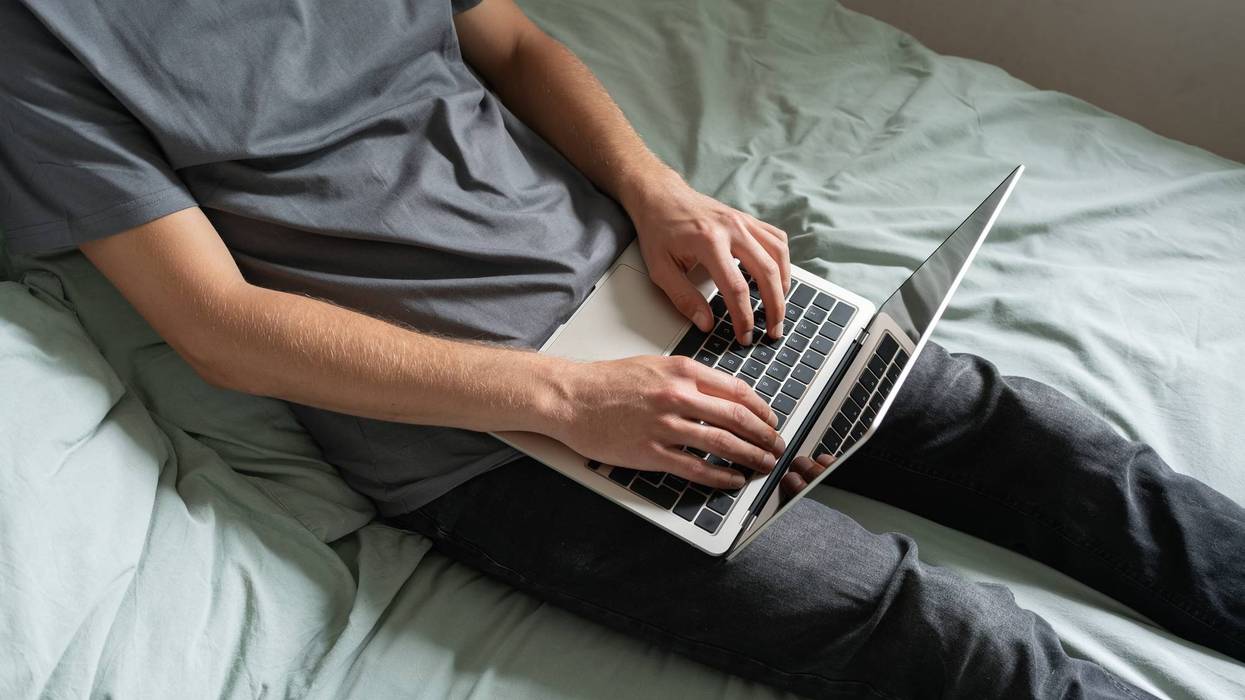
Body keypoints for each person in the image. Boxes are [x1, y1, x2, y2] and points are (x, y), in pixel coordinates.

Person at [2, 0, 1241, 696]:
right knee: (927, 630)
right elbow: (218, 327)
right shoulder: (36, 42)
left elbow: (509, 42)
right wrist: (564, 398)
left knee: (1019, 429)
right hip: (477, 427)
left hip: (646, 288)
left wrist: (661, 195)